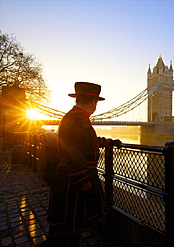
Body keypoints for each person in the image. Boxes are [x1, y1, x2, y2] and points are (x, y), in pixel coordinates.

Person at [41, 82, 106, 246]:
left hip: (68, 179)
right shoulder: (78, 120)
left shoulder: (73, 117)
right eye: (96, 103)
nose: (95, 107)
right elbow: (72, 154)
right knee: (68, 233)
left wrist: (105, 142)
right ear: (93, 102)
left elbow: (83, 141)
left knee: (66, 230)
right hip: (74, 183)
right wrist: (85, 183)